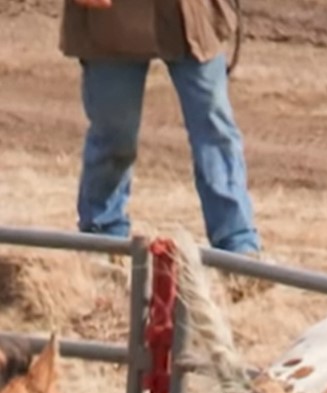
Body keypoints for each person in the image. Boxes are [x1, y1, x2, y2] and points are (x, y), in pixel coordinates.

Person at [60, 0, 262, 257]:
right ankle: (103, 244)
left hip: (191, 16)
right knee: (113, 135)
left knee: (214, 130)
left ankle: (237, 249)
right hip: (109, 21)